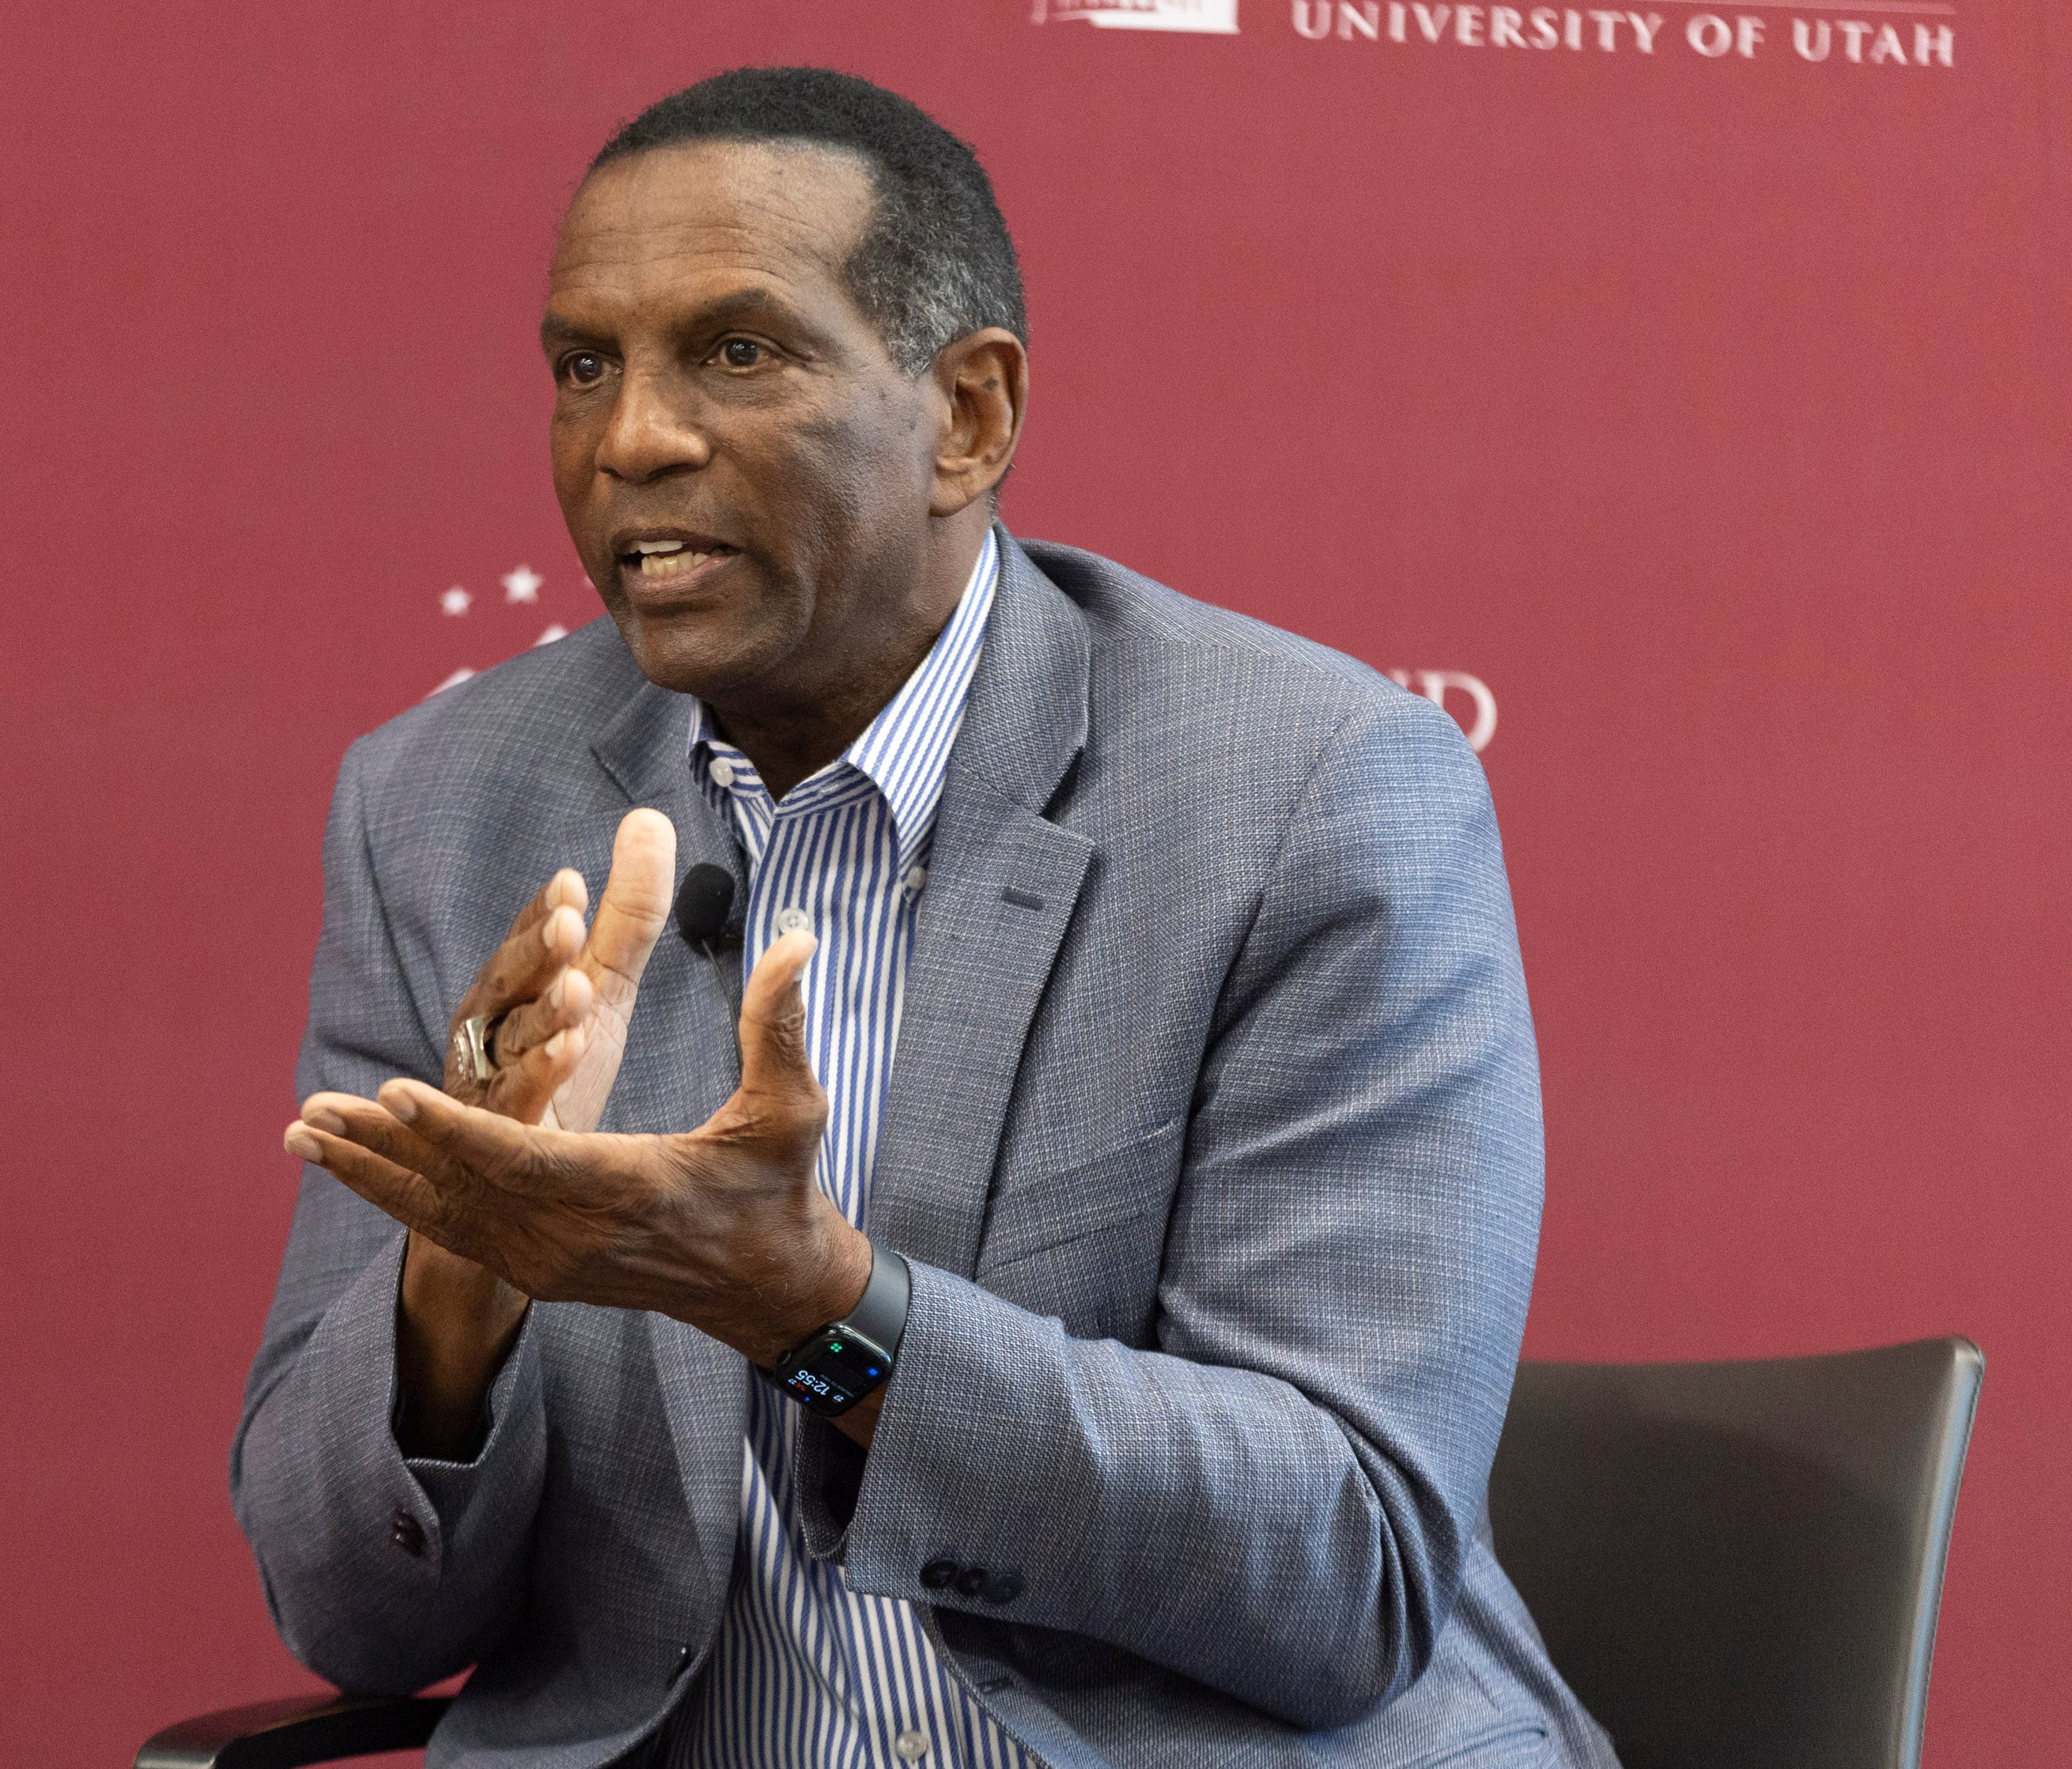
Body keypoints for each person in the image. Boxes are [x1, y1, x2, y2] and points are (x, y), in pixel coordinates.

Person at [235, 66, 1616, 1769]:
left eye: (737, 351)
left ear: (967, 415)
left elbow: (1342, 1562)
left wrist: (827, 1314)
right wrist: (461, 1284)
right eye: (583, 365)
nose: (630, 438)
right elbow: (349, 1611)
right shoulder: (442, 804)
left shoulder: (1309, 792)